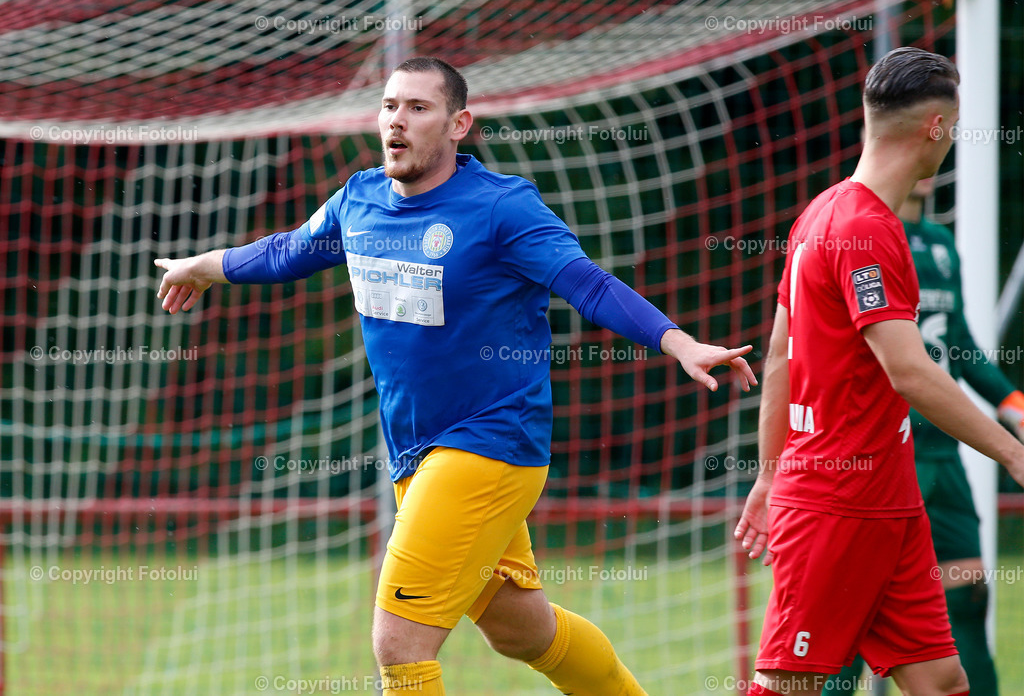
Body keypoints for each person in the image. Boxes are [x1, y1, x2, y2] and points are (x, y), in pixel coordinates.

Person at [155, 56, 757, 695]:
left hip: (490, 446)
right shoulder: (359, 201)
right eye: (390, 106)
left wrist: (677, 341)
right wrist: (204, 264)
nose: (398, 120)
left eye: (418, 108)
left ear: (458, 123)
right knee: (523, 631)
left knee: (399, 640)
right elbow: (289, 251)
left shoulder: (501, 208)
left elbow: (587, 285)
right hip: (416, 456)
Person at [733, 46, 1024, 696]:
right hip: (837, 506)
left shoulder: (820, 211)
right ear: (937, 128)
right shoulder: (868, 229)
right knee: (790, 687)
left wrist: (768, 472)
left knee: (944, 682)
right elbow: (909, 372)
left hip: (890, 506)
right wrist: (1011, 451)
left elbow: (779, 357)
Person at [821, 177, 1024, 696]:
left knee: (968, 598)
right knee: (849, 616)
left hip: (944, 452)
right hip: (882, 455)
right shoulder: (860, 233)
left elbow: (956, 341)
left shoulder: (940, 241)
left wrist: (1011, 403)